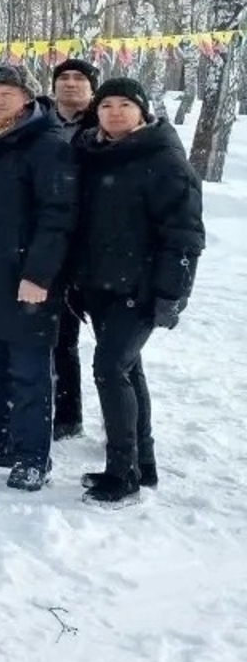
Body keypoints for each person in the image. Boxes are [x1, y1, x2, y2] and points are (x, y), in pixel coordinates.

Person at [69, 79, 204, 505]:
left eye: (125, 104)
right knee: (129, 370)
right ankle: (143, 465)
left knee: (110, 368)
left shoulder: (164, 160)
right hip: (101, 285)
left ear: (142, 111)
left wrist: (172, 293)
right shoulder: (93, 155)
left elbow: (183, 234)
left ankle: (122, 473)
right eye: (106, 104)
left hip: (142, 287)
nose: (114, 112)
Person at [0, 65, 77, 492]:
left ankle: (32, 455)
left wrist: (39, 274)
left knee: (29, 373)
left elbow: (58, 217)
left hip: (27, 279)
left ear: (27, 97)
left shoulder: (48, 146)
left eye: (8, 92)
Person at [49, 57, 99, 440]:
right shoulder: (41, 122)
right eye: (63, 77)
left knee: (117, 355)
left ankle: (126, 435)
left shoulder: (107, 122)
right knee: (59, 337)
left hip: (99, 244)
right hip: (53, 241)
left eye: (79, 78)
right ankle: (67, 413)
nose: (70, 84)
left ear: (91, 86)